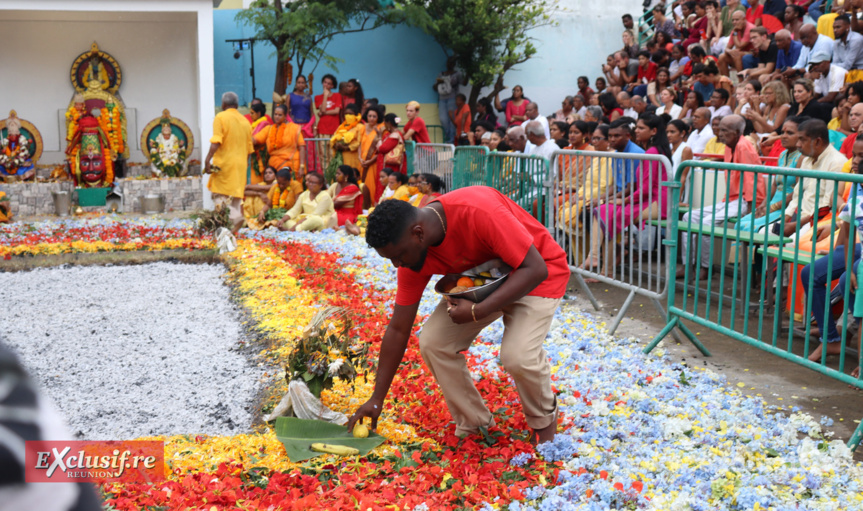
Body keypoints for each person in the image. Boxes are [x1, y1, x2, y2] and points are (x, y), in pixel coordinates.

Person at [346, 188, 570, 444]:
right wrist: (376, 399)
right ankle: (475, 423)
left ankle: (543, 419)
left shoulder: (479, 210)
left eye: (397, 257)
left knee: (518, 356)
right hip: (483, 282)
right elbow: (398, 328)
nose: (397, 265)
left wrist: (479, 310)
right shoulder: (411, 254)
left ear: (418, 234)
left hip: (536, 274)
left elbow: (535, 268)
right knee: (433, 342)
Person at [678, 115, 766, 278]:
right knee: (689, 217)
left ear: (738, 132)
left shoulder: (744, 146)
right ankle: (687, 264)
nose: (720, 133)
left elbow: (752, 179)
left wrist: (752, 208)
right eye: (719, 130)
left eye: (725, 130)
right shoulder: (728, 145)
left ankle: (705, 267)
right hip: (731, 199)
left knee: (706, 223)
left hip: (745, 201)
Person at [803, 136, 863, 365]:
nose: (854, 161)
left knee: (850, 278)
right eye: (854, 155)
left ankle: (848, 333)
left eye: (861, 157)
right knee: (810, 273)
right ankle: (832, 339)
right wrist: (837, 253)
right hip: (856, 246)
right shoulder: (856, 180)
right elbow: (846, 225)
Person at [585, 114, 670, 273]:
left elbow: (645, 188)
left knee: (606, 212)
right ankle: (601, 265)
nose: (636, 130)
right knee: (604, 211)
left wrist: (623, 201)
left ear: (653, 131)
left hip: (657, 203)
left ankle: (600, 263)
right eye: (636, 127)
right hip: (650, 199)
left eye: (641, 128)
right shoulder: (650, 150)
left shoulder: (651, 152)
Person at [775, 119, 847, 237]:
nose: (798, 144)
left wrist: (795, 226)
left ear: (817, 142)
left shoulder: (837, 163)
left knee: (790, 243)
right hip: (798, 217)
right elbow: (797, 195)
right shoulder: (806, 160)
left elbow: (826, 207)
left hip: (818, 221)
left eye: (802, 140)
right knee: (767, 234)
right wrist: (785, 219)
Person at [735, 116, 804, 234]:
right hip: (772, 206)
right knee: (739, 224)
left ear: (801, 136)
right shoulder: (782, 155)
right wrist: (763, 205)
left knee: (752, 229)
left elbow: (799, 191)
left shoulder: (801, 157)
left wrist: (773, 207)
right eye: (782, 132)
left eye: (790, 133)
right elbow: (775, 185)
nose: (784, 136)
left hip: (786, 208)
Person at [204, 91, 254, 235]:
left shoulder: (220, 117)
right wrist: (245, 165)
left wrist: (208, 160)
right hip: (240, 165)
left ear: (223, 104)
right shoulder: (246, 121)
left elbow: (216, 141)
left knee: (219, 195)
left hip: (224, 164)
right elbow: (250, 150)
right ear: (237, 105)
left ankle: (221, 226)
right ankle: (235, 228)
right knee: (236, 197)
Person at [253, 104, 307, 180]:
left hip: (291, 165)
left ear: (285, 116)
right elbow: (256, 139)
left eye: (280, 115)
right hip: (273, 166)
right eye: (275, 114)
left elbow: (302, 148)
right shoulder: (269, 129)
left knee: (292, 189)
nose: (277, 117)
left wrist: (302, 166)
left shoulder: (294, 128)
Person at [718, 10, 755, 76]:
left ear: (744, 19)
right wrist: (730, 51)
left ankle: (740, 81)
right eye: (733, 20)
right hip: (741, 54)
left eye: (737, 20)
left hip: (753, 54)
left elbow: (740, 46)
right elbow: (727, 48)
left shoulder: (749, 28)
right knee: (722, 57)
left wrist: (735, 33)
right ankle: (726, 81)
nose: (734, 22)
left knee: (737, 55)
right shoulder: (735, 29)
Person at [435, 56, 463, 143]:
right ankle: (447, 134)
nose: (449, 64)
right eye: (448, 62)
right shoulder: (442, 74)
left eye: (451, 63)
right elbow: (435, 86)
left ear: (454, 64)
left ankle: (451, 138)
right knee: (443, 119)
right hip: (442, 99)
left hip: (453, 98)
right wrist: (439, 83)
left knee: (452, 119)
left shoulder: (457, 74)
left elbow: (463, 83)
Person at [359, 106, 381, 207]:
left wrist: (370, 161)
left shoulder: (380, 129)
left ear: (378, 117)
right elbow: (359, 144)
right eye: (370, 116)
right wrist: (359, 158)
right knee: (361, 185)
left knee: (370, 185)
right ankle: (363, 207)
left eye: (374, 116)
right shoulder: (363, 127)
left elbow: (380, 150)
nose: (371, 118)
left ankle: (371, 207)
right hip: (362, 162)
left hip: (373, 163)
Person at [330, 102, 364, 170]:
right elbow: (333, 138)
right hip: (339, 157)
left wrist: (345, 147)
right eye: (346, 114)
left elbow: (359, 143)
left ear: (356, 115)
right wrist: (335, 145)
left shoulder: (360, 127)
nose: (347, 116)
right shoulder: (341, 126)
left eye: (350, 114)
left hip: (352, 157)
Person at [667, 119, 694, 202]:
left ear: (682, 133)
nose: (668, 135)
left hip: (680, 190)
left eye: (672, 132)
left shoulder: (686, 149)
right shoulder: (668, 148)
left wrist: (677, 199)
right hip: (668, 187)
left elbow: (683, 176)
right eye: (667, 132)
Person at [832, 14, 863, 83]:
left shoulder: (856, 40)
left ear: (848, 27)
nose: (835, 30)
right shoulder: (836, 42)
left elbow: (847, 65)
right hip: (845, 71)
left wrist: (830, 66)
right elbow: (835, 62)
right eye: (834, 28)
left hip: (859, 72)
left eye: (838, 27)